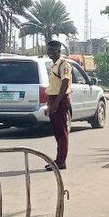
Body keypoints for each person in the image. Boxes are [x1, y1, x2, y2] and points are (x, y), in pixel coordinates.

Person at [44, 40, 72, 171]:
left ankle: (61, 161)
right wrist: (49, 105)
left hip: (60, 100)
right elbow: (53, 86)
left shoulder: (63, 64)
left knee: (61, 132)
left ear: (59, 51)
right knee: (56, 131)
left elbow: (64, 84)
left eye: (52, 50)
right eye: (48, 50)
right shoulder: (54, 65)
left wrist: (56, 103)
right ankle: (59, 159)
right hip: (53, 99)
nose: (50, 52)